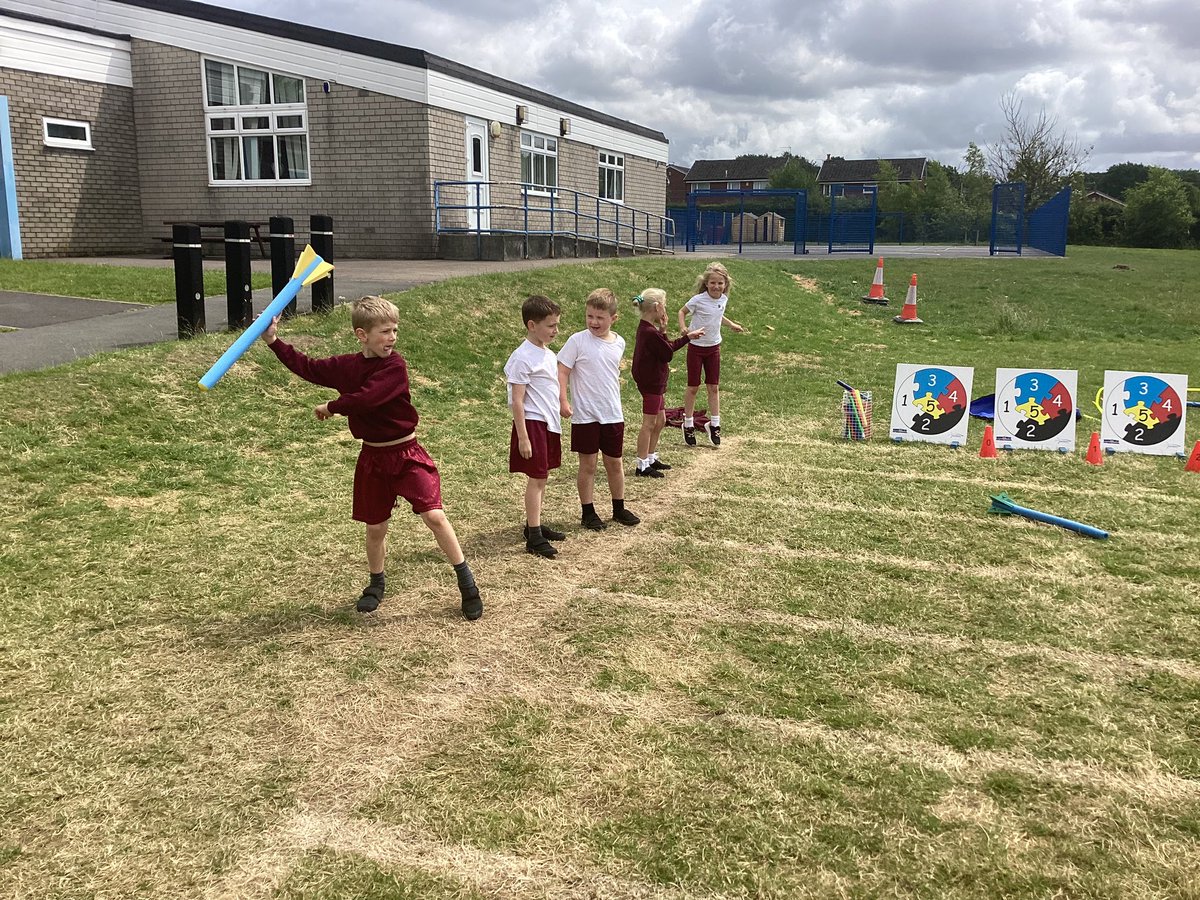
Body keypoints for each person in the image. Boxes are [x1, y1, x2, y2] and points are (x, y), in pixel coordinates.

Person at [261, 296, 482, 620]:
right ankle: (376, 584)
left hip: (406, 454)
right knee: (375, 527)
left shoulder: (394, 366)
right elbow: (307, 367)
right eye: (384, 332)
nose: (392, 337)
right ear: (362, 335)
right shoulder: (347, 367)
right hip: (373, 458)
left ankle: (467, 583)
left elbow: (369, 398)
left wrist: (332, 407)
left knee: (434, 516)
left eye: (394, 330)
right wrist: (273, 341)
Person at [557, 288, 641, 529]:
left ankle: (619, 507)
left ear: (613, 319)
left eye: (600, 318)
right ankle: (588, 511)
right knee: (589, 464)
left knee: (614, 462)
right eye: (590, 316)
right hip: (585, 415)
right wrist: (563, 400)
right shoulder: (577, 341)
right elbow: (562, 370)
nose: (594, 322)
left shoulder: (619, 342)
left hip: (612, 413)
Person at [505, 295, 566, 558]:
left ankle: (535, 526)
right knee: (537, 478)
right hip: (532, 423)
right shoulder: (522, 357)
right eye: (550, 325)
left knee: (543, 476)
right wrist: (523, 437)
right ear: (532, 325)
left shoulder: (547, 354)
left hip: (548, 422)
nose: (556, 331)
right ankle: (534, 536)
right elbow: (517, 401)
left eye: (556, 325)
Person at [631, 288, 703, 478]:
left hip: (656, 381)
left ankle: (651, 456)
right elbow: (667, 353)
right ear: (657, 307)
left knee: (661, 420)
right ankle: (642, 464)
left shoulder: (650, 330)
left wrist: (663, 330)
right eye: (665, 304)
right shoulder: (648, 332)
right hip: (651, 382)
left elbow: (663, 348)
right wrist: (687, 337)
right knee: (649, 423)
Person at [678, 262, 747, 447]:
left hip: (713, 348)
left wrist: (731, 325)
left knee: (713, 387)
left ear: (725, 285)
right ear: (706, 283)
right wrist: (684, 328)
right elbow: (682, 312)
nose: (716, 286)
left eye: (720, 283)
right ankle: (688, 424)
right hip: (696, 348)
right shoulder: (698, 300)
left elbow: (718, 315)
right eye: (713, 283)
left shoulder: (723, 300)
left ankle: (715, 424)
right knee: (693, 387)